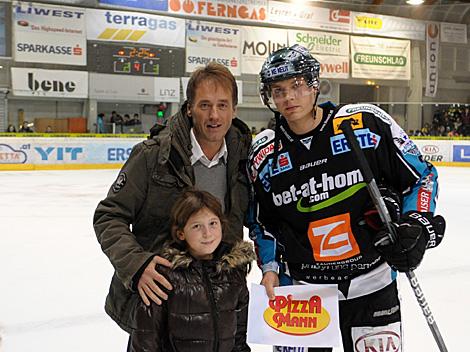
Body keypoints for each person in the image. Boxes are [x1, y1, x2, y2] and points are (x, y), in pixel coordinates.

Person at [247, 44, 446, 351]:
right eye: (278, 90)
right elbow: (263, 222)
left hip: (372, 283)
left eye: (297, 86)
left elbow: (421, 177)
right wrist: (270, 268)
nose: (288, 97)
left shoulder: (364, 123)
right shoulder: (264, 152)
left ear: (314, 84)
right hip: (302, 292)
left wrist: (415, 224)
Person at [93, 62, 252, 338]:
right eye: (204, 105)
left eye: (223, 105)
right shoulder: (153, 156)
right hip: (159, 307)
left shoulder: (245, 158)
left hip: (218, 308)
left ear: (234, 109)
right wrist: (137, 264)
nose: (214, 115)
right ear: (189, 107)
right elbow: (109, 215)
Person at [128, 189, 254, 351]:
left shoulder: (233, 272)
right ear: (181, 233)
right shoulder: (165, 275)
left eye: (213, 223)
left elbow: (239, 335)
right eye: (196, 226)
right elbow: (146, 339)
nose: (207, 233)